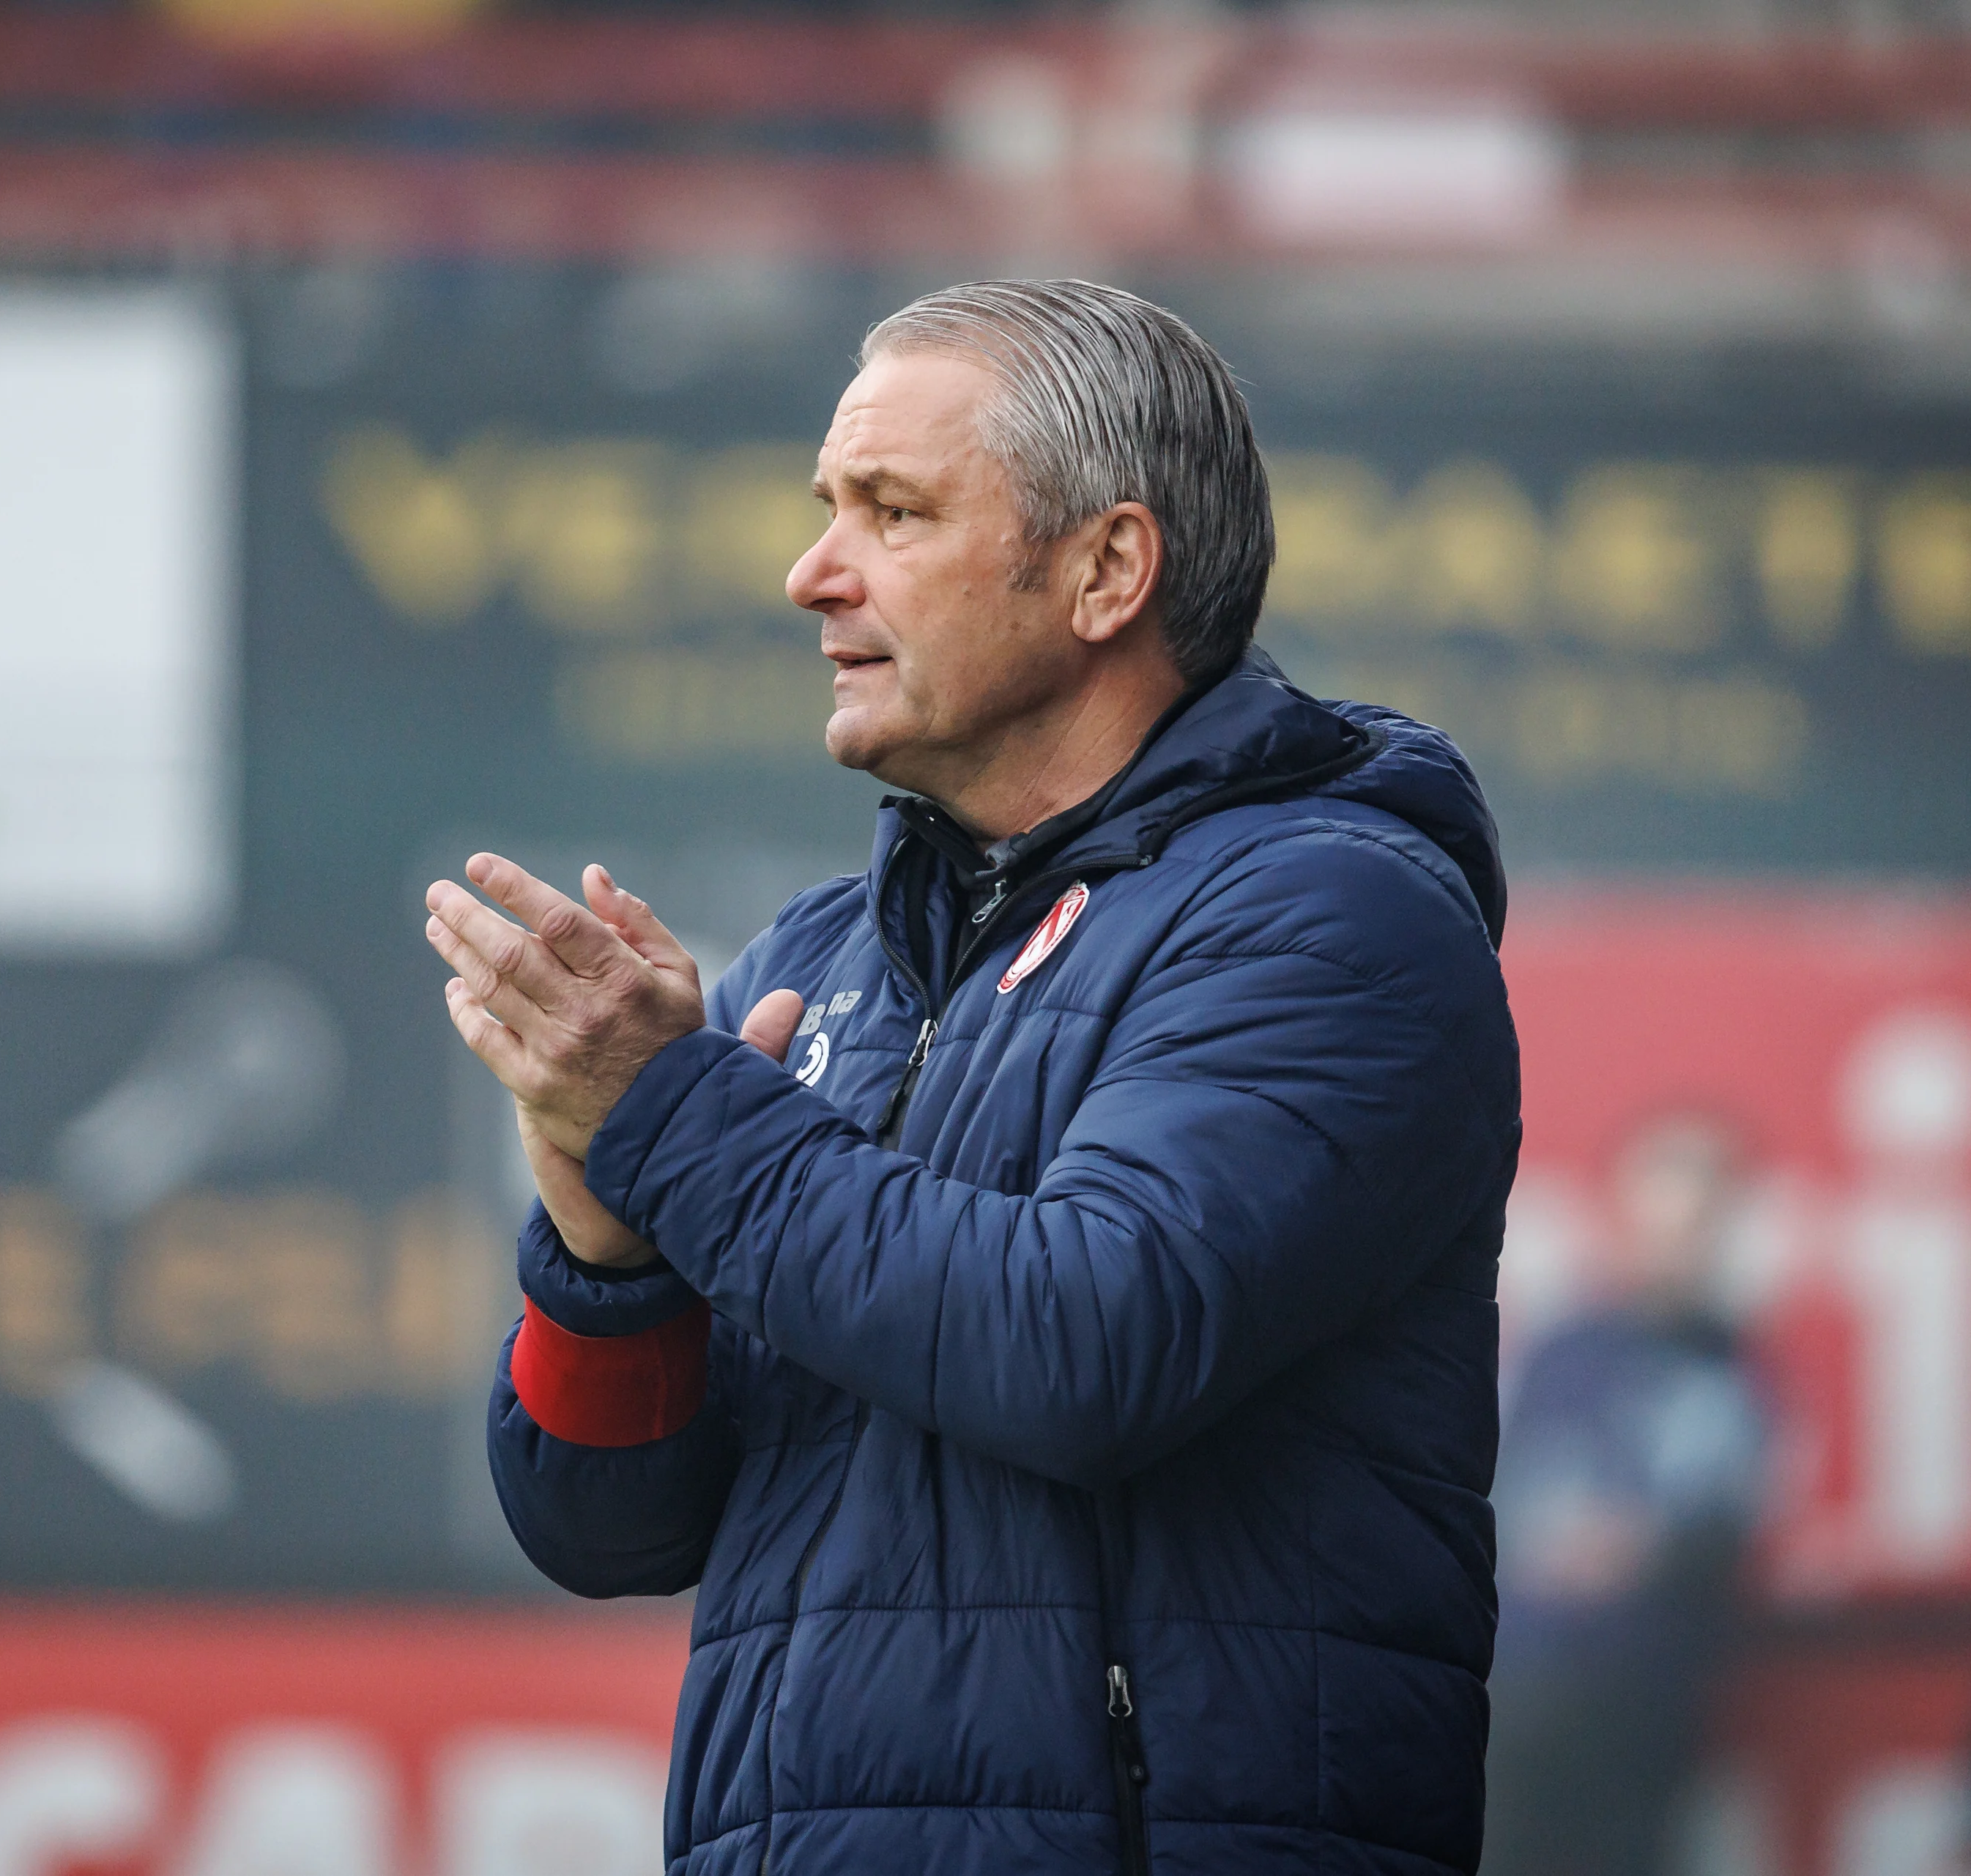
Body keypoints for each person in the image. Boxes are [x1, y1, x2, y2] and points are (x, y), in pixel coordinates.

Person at [422, 279, 1520, 1875]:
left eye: (893, 510)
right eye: (827, 509)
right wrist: (608, 1240)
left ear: (1106, 572)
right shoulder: (831, 948)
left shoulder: (1335, 910)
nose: (813, 573)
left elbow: (1084, 1342)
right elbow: (606, 1526)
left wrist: (669, 1114)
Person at [1481, 1113, 1769, 1876]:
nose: (1671, 1244)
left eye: (1693, 1222)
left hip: (1644, 1710)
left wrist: (1644, 1547)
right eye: (1655, 1219)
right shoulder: (1560, 1352)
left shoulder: (1737, 1372)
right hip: (1523, 1702)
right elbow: (1497, 1499)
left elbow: (1727, 1531)